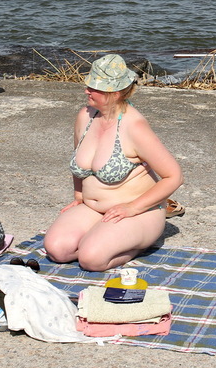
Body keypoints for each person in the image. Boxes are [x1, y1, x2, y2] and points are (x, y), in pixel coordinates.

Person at [44, 54, 183, 271]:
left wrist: (133, 207)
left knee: (91, 259)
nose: (86, 91)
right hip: (92, 208)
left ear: (115, 93)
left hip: (138, 212)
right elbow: (78, 159)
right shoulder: (85, 116)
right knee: (57, 249)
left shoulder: (134, 127)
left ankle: (136, 244)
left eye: (94, 87)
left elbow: (173, 176)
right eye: (88, 85)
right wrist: (79, 196)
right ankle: (103, 237)